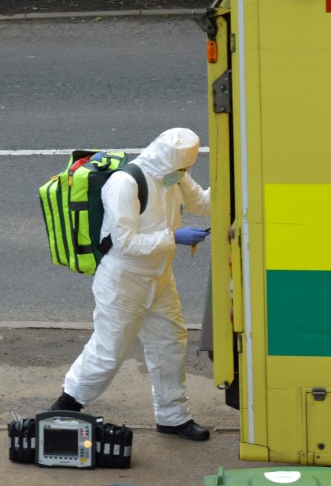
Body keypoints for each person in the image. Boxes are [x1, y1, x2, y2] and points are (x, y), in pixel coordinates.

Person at [51, 127, 212, 441]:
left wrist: (236, 180)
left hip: (159, 277)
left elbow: (202, 204)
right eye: (181, 169)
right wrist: (173, 237)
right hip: (123, 281)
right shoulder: (125, 183)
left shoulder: (174, 174)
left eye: (186, 169)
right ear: (165, 159)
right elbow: (124, 242)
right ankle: (65, 407)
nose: (184, 174)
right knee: (108, 351)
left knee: (170, 345)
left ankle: (173, 417)